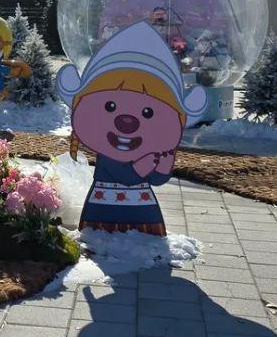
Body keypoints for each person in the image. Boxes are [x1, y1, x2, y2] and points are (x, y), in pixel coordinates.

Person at [56, 21, 207, 236]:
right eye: (110, 106)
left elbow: (157, 180)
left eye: (148, 112)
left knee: (146, 236)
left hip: (144, 210)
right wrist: (141, 167)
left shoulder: (150, 153)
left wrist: (163, 166)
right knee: (102, 235)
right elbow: (123, 176)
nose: (127, 122)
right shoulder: (108, 154)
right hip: (102, 211)